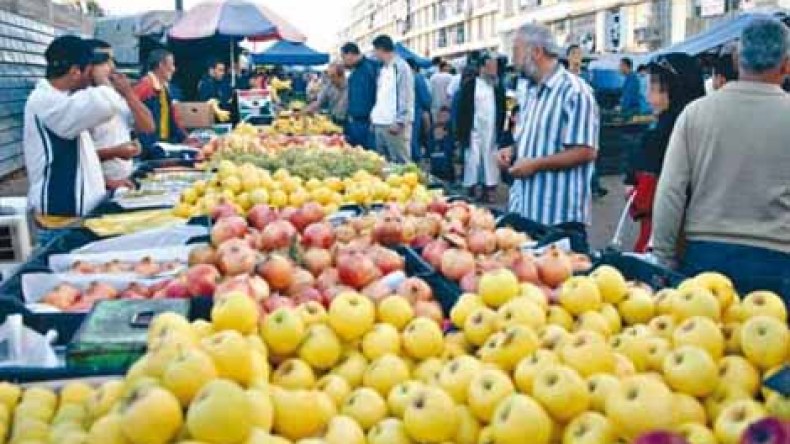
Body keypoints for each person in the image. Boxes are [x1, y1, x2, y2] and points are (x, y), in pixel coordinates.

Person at [652, 17, 790, 295]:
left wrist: (663, 259)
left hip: (705, 258)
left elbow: (670, 191)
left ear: (738, 60)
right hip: (779, 260)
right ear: (787, 65)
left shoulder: (696, 113)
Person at [23, 36, 139, 243]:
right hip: (61, 218)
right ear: (76, 72)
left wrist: (108, 182)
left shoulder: (64, 100)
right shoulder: (46, 102)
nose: (90, 78)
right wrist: (105, 81)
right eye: (89, 70)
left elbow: (81, 159)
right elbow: (103, 104)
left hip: (75, 213)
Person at [497, 24, 599, 253]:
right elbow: (534, 136)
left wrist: (535, 164)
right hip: (526, 211)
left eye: (516, 51)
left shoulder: (575, 92)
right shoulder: (531, 91)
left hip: (558, 220)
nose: (513, 60)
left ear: (536, 52)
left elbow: (586, 150)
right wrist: (512, 151)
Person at [625, 53, 705, 253]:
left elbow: (644, 199)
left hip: (662, 240)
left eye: (654, 89)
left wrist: (635, 188)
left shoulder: (661, 136)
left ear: (677, 91)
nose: (648, 97)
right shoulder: (705, 127)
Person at [86, 40, 155, 190]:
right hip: (99, 187)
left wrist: (128, 93)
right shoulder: (81, 101)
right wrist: (115, 152)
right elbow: (75, 157)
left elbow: (148, 126)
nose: (112, 67)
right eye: (105, 61)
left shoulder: (114, 95)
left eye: (112, 61)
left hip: (123, 181)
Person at [457, 53, 505, 203]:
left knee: (490, 160)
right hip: (474, 130)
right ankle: (472, 188)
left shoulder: (498, 87)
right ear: (482, 68)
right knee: (473, 159)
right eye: (491, 67)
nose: (494, 71)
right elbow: (462, 111)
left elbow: (502, 110)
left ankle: (489, 189)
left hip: (491, 130)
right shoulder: (470, 86)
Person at [370, 35, 414, 164]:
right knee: (384, 164)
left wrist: (400, 121)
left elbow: (406, 95)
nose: (374, 54)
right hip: (380, 123)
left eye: (375, 51)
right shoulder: (383, 69)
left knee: (401, 163)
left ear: (380, 49)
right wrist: (374, 117)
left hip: (394, 125)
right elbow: (381, 96)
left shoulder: (401, 67)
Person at [134, 49, 187, 154]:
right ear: (161, 65)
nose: (173, 69)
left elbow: (172, 119)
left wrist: (184, 138)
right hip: (150, 148)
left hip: (163, 145)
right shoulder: (145, 86)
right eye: (171, 65)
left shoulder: (164, 88)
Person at [341, 42, 378, 149]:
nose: (343, 60)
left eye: (344, 57)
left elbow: (375, 95)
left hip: (365, 123)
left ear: (351, 54)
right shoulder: (355, 70)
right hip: (354, 122)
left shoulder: (369, 68)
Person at [409, 58, 432, 162]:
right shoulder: (418, 78)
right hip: (416, 112)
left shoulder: (401, 77)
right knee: (415, 137)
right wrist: (427, 109)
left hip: (404, 113)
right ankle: (416, 159)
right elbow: (425, 98)